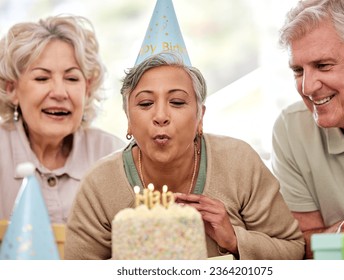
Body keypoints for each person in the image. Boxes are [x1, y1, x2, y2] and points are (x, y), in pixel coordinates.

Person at [65, 52, 304, 260]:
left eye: (177, 102)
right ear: (128, 120)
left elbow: (293, 250)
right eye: (146, 103)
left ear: (200, 117)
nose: (161, 115)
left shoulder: (239, 162)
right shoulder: (100, 184)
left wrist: (233, 240)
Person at [271, 0, 344, 258]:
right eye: (298, 70)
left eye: (323, 65)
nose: (308, 87)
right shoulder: (290, 129)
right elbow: (300, 243)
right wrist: (337, 236)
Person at [0, 15, 126, 224]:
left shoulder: (113, 156)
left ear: (87, 89)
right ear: (11, 89)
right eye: (42, 78)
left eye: (71, 78)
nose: (60, 93)